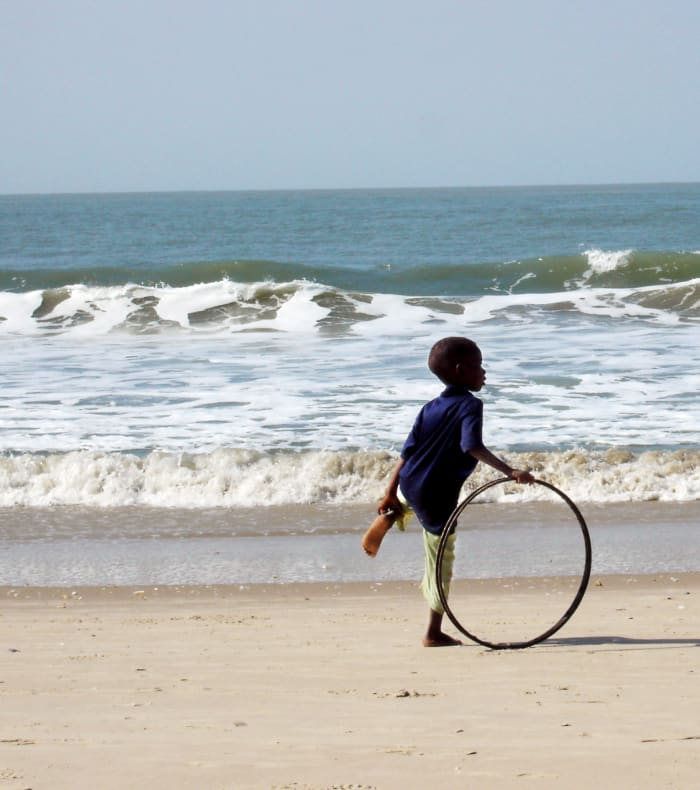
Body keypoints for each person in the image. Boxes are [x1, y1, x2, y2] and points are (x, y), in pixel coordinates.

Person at [368, 336, 534, 647]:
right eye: (478, 366)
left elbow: (406, 453)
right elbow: (471, 446)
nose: (484, 372)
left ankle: (394, 509)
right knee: (440, 560)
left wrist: (389, 491)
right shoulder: (471, 404)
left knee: (408, 496)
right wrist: (510, 472)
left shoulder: (429, 408)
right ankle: (433, 632)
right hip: (437, 495)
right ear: (460, 371)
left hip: (409, 482)